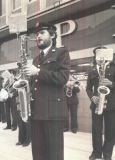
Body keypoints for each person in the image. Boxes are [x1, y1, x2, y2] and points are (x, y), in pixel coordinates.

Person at [24, 22, 70, 160]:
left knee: (54, 154)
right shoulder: (36, 59)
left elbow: (62, 78)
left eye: (42, 33)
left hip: (53, 113)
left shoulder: (62, 53)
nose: (38, 36)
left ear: (53, 35)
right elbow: (34, 84)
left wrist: (37, 71)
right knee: (38, 154)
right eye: (37, 34)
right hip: (37, 112)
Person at [86, 46, 115, 160]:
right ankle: (96, 153)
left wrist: (111, 84)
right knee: (96, 129)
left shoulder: (113, 69)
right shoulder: (91, 70)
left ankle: (107, 154)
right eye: (98, 54)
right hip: (97, 103)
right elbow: (88, 88)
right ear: (95, 57)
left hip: (111, 104)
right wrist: (92, 97)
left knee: (110, 130)